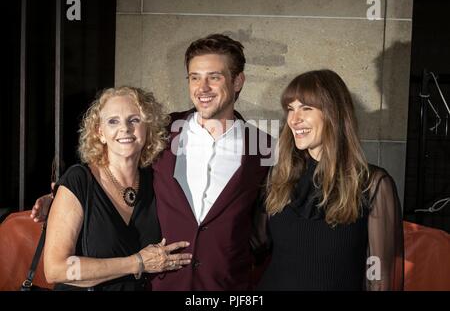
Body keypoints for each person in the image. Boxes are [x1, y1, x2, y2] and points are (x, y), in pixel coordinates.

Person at [32, 34, 272, 291]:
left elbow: (270, 221)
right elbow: (107, 171)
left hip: (226, 286)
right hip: (161, 286)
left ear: (238, 81)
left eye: (214, 77)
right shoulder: (162, 132)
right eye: (194, 77)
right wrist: (60, 198)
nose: (202, 88)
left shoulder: (264, 148)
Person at [257, 69, 404, 290]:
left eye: (306, 108)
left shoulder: (373, 184)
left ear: (333, 114)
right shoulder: (278, 176)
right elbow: (250, 245)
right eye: (290, 109)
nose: (294, 120)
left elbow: (379, 276)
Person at [43, 86, 192, 291]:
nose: (125, 128)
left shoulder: (156, 181)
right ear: (100, 133)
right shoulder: (79, 180)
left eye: (134, 120)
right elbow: (56, 269)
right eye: (113, 121)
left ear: (147, 129)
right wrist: (137, 263)